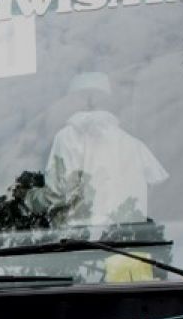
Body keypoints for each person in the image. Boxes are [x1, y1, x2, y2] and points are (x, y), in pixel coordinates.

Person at [29, 72, 168, 229]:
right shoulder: (135, 146)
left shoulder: (65, 138)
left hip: (77, 244)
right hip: (128, 244)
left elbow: (56, 194)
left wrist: (28, 199)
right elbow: (156, 188)